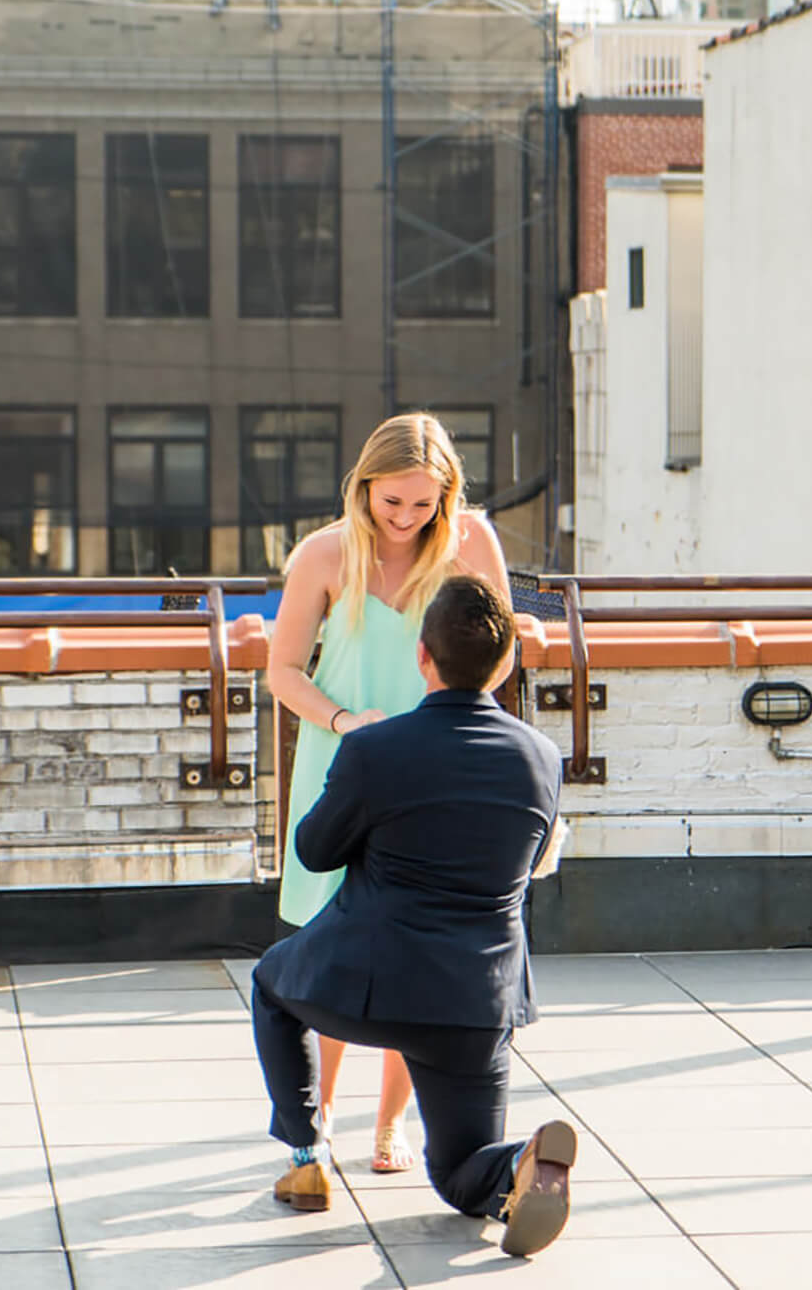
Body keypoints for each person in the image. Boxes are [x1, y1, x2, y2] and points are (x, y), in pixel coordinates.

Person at [252, 575, 575, 1258]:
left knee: (272, 985)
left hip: (370, 985)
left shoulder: (376, 749)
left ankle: (306, 1151)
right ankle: (516, 1162)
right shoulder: (543, 759)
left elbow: (313, 851)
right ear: (505, 661)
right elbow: (535, 855)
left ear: (422, 658)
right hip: (477, 1002)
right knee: (459, 1173)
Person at [268, 411, 511, 1173]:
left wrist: (448, 722)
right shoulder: (324, 552)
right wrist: (346, 722)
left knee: (418, 948)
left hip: (437, 774)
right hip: (343, 762)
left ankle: (388, 1126)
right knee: (333, 942)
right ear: (363, 487)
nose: (406, 519)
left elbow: (501, 655)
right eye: (391, 502)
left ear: (447, 495)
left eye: (423, 504)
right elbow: (282, 672)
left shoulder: (473, 542)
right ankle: (323, 1112)